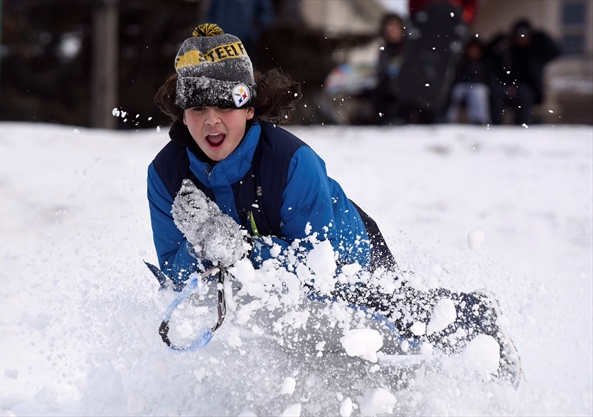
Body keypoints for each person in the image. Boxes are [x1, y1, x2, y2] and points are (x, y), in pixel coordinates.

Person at [148, 23, 521, 386]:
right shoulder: (166, 176)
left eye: (224, 105)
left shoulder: (291, 162)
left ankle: (475, 316)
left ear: (248, 106)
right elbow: (174, 274)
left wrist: (241, 249)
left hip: (347, 259)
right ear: (182, 113)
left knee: (400, 342)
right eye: (197, 109)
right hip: (278, 284)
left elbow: (316, 268)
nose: (210, 120)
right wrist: (203, 248)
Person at [487, 19, 561, 125]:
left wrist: (540, 34)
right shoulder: (506, 51)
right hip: (505, 86)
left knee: (523, 93)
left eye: (525, 35)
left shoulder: (535, 52)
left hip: (528, 89)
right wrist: (499, 37)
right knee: (497, 92)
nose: (522, 39)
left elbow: (557, 51)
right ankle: (495, 126)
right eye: (519, 36)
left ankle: (521, 126)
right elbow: (487, 55)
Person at [446, 38, 492, 124]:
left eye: (476, 49)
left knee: (479, 92)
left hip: (478, 87)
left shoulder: (484, 63)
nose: (474, 51)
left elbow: (489, 79)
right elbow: (455, 77)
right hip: (463, 86)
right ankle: (450, 118)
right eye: (472, 49)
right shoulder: (461, 62)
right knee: (456, 91)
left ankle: (479, 119)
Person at [371, 13, 407, 125]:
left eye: (394, 28)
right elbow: (381, 70)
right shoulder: (385, 51)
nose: (392, 32)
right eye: (389, 29)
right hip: (388, 88)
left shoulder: (410, 47)